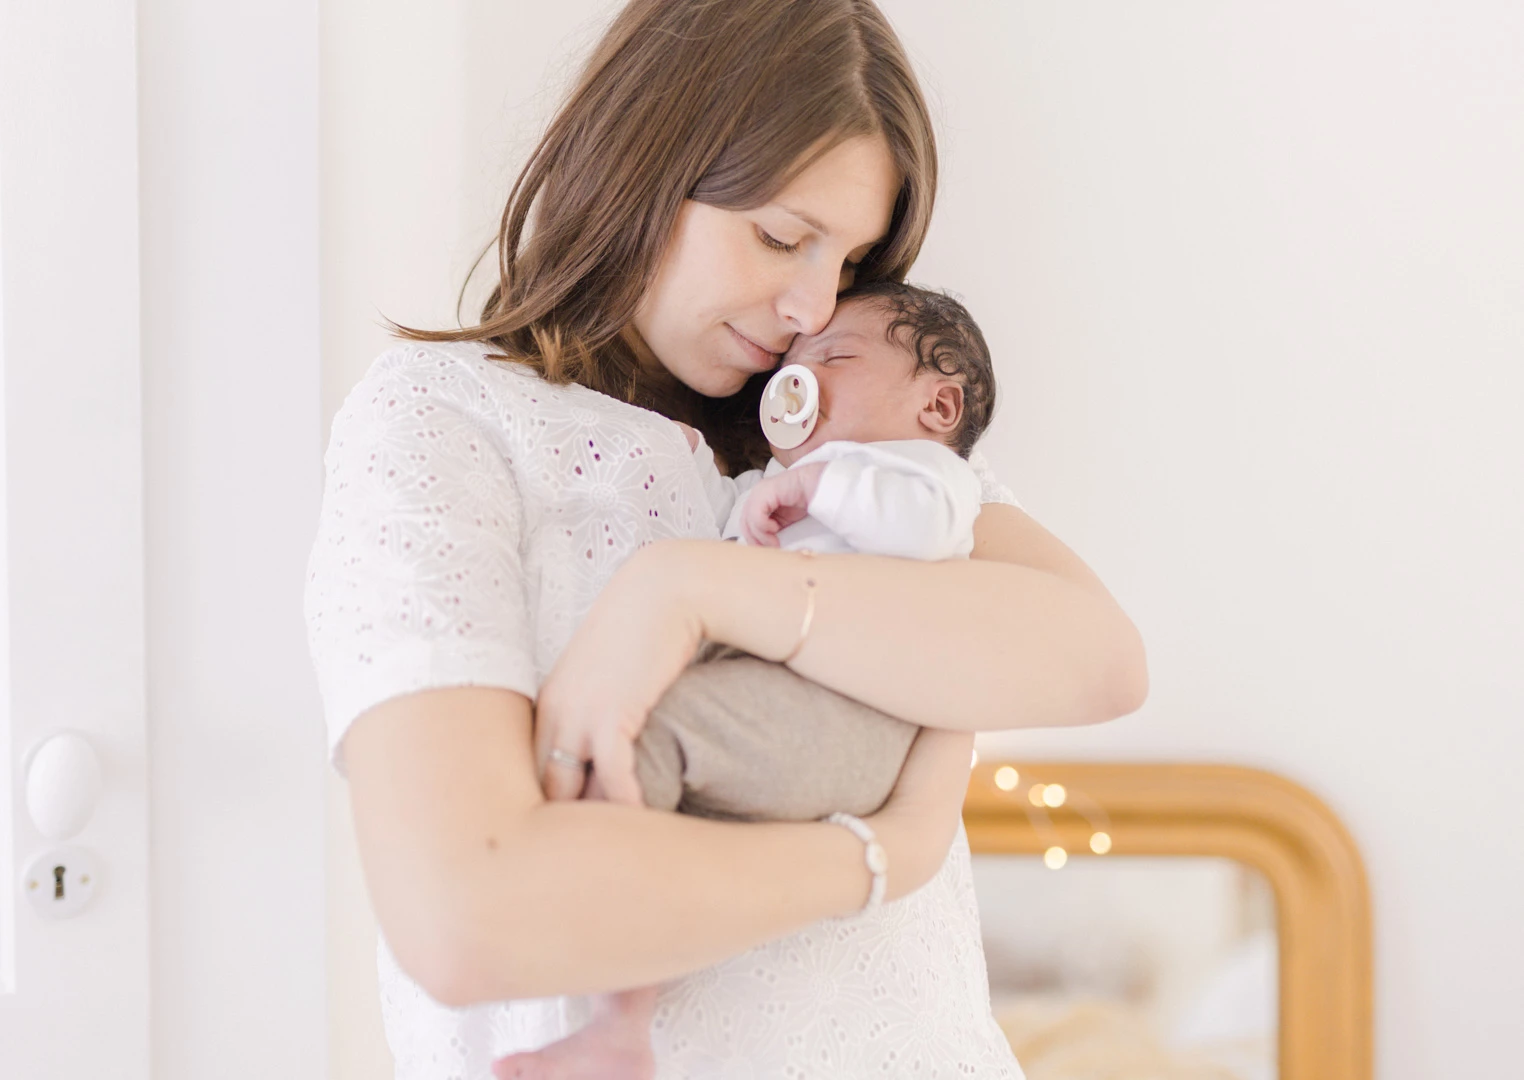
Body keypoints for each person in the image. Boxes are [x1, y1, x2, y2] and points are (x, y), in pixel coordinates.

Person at [302, 1, 1148, 1077]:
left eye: (846, 265)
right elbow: (467, 917)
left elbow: (1102, 658)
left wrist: (689, 589)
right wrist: (880, 855)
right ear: (641, 167)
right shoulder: (443, 424)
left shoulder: (840, 452)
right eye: (783, 237)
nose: (810, 306)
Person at [501, 280, 1008, 1078]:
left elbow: (920, 522)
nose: (799, 382)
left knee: (637, 738)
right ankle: (620, 1008)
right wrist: (700, 475)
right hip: (779, 704)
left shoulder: (925, 480)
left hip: (851, 716)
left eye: (836, 358)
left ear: (937, 409)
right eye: (794, 366)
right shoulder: (793, 483)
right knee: (648, 784)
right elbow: (733, 532)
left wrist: (818, 485)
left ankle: (617, 1026)